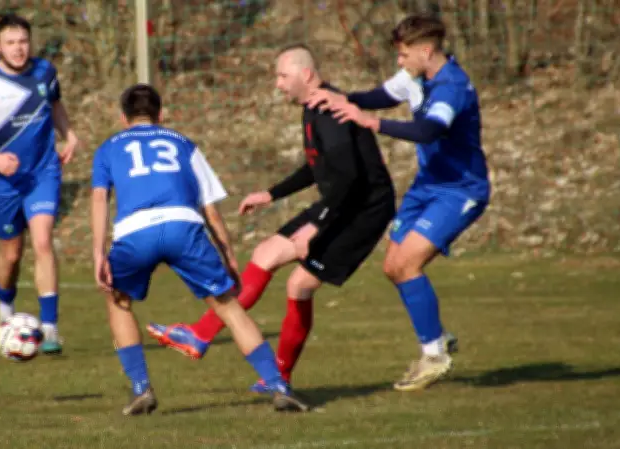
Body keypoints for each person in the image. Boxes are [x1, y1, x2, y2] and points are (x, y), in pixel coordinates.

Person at [147, 44, 396, 393]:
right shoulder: (313, 108)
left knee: (299, 285)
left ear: (306, 75)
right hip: (340, 201)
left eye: (282, 76)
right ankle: (200, 335)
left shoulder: (329, 111)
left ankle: (279, 377)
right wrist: (271, 194)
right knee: (265, 254)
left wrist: (316, 226)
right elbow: (318, 167)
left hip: (363, 208)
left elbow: (350, 178)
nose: (277, 84)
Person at [90, 83, 310, 415]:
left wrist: (98, 252)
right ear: (161, 115)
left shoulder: (108, 149)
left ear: (123, 119)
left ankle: (141, 389)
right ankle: (278, 386)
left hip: (136, 233)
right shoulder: (183, 144)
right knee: (228, 308)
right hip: (184, 228)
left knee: (118, 302)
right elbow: (209, 209)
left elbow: (98, 199)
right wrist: (229, 255)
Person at [305, 14, 490, 391]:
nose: (400, 62)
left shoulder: (452, 87)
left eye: (404, 54)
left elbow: (429, 130)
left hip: (460, 190)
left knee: (407, 264)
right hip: (427, 186)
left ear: (426, 51)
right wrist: (344, 99)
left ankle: (434, 355)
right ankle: (437, 339)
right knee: (393, 266)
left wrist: (374, 123)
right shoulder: (415, 77)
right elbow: (383, 95)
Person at [0, 14, 80, 355]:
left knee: (42, 242)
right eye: (10, 42)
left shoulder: (45, 72)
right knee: (11, 254)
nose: (19, 48)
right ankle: (5, 310)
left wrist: (69, 135)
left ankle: (50, 328)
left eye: (23, 41)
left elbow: (55, 105)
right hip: (3, 180)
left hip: (43, 171)